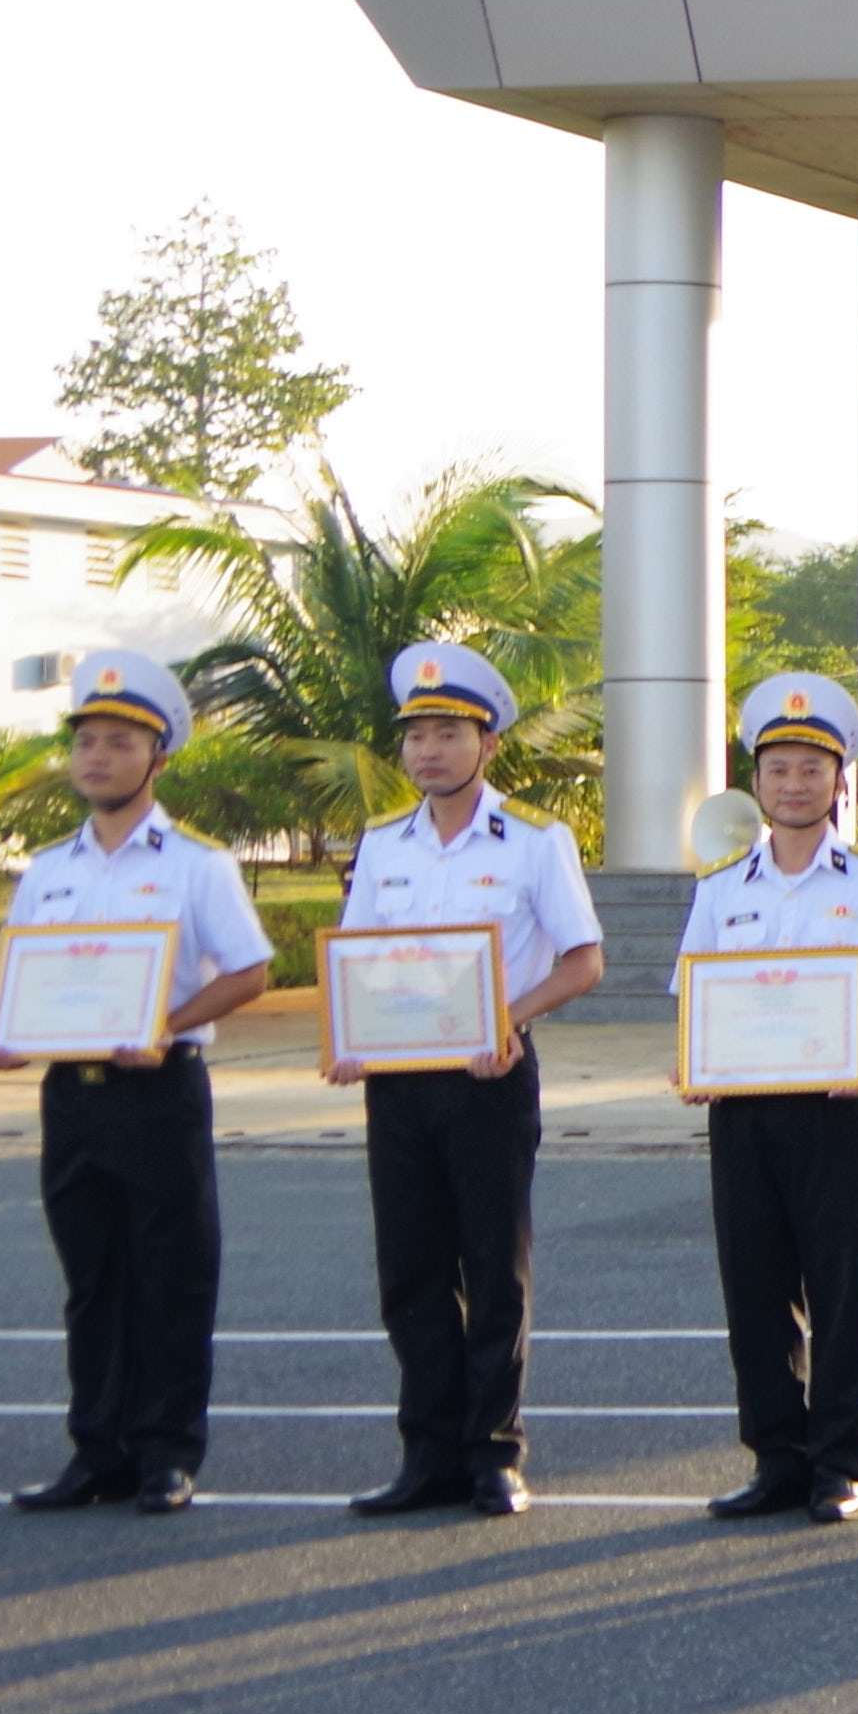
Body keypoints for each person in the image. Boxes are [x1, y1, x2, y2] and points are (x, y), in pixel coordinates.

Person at [0, 651, 272, 1513]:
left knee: (171, 1273)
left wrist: (167, 1022)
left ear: (159, 757)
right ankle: (96, 1449)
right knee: (92, 1278)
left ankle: (166, 1451)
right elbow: (21, 974)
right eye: (86, 742)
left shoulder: (196, 864)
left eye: (120, 741)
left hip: (159, 1090)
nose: (97, 757)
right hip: (71, 1095)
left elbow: (251, 969)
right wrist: (8, 1034)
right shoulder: (46, 870)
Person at [327, 639, 605, 1519]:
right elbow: (362, 961)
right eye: (414, 736)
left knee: (494, 1268)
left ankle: (493, 1451)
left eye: (447, 733)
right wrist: (347, 1037)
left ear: (488, 744)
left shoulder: (532, 842)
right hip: (399, 1087)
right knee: (409, 1270)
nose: (426, 751)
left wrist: (508, 1017)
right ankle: (426, 1453)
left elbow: (584, 960)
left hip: (491, 1078)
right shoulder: (382, 847)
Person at [669, 674, 858, 1523]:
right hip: (743, 1112)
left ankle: (838, 1463)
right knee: (753, 1291)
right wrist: (697, 1060)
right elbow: (693, 992)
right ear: (756, 780)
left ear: (840, 781)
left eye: (810, 769)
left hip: (838, 1108)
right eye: (778, 768)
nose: (794, 784)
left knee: (838, 1291)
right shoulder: (721, 887)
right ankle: (774, 1457)